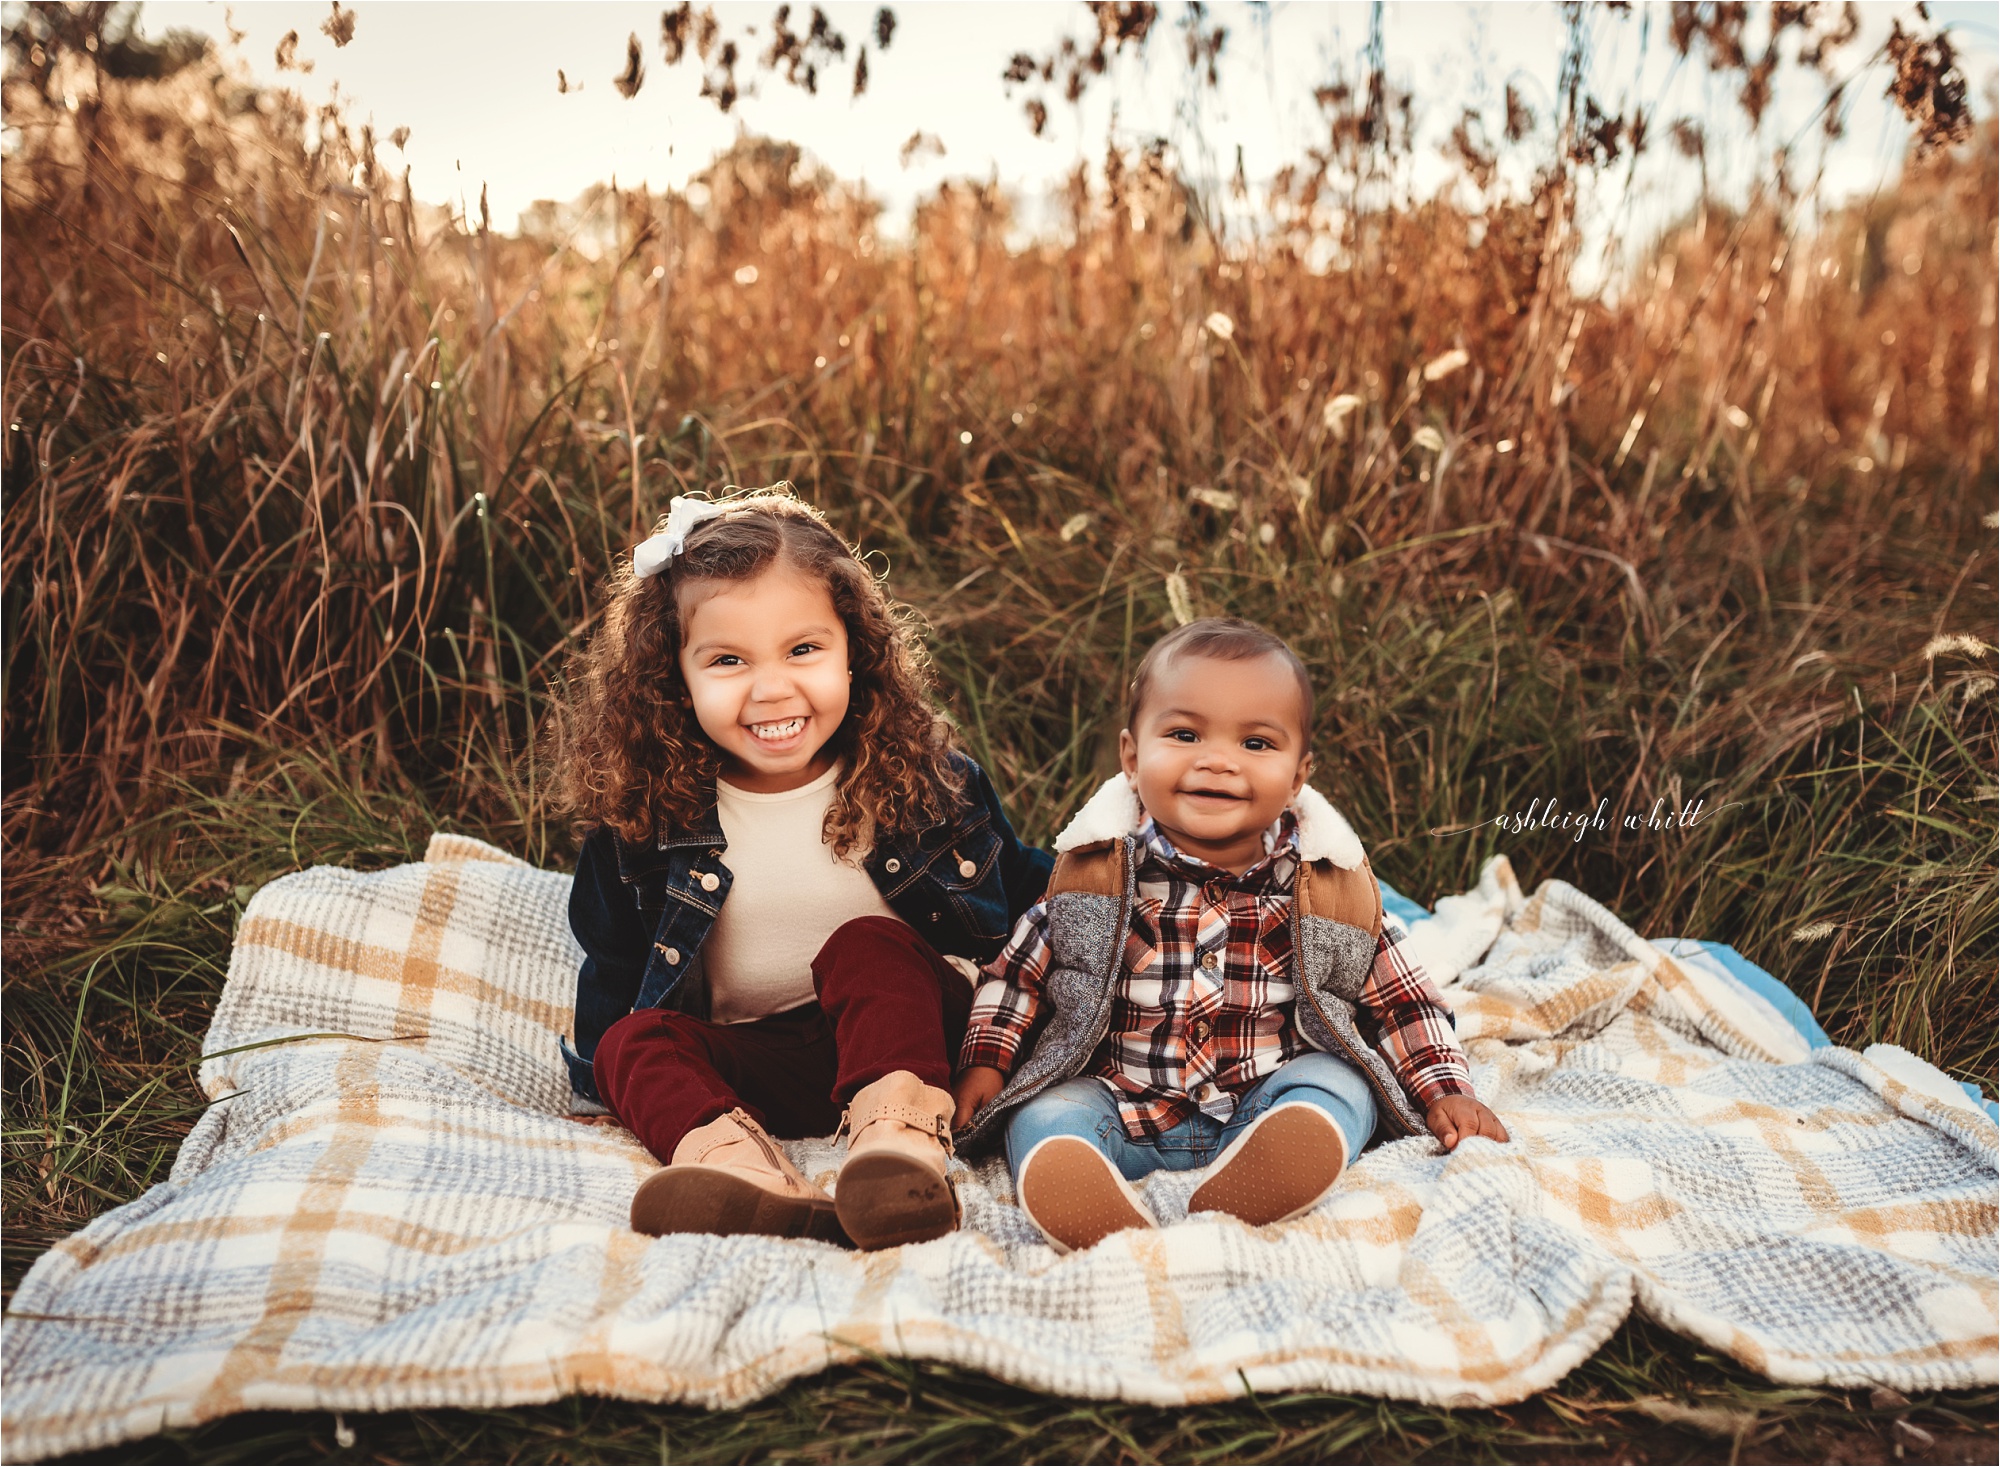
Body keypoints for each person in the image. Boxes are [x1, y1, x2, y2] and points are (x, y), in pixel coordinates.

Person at [550, 488, 1051, 1251]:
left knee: (866, 944)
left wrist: (1115, 893)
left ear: (855, 649)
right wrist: (602, 1077)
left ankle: (898, 1153)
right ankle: (740, 1170)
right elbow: (614, 961)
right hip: (765, 1064)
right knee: (631, 1041)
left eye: (803, 649)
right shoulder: (647, 823)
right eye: (727, 660)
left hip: (914, 1046)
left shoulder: (925, 782)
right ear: (673, 678)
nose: (772, 687)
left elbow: (1022, 885)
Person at [951, 617, 1509, 1253]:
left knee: (1339, 1085)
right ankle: (1081, 1192)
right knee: (1046, 1114)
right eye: (1185, 734)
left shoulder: (1327, 892)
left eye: (1256, 744)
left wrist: (1446, 1091)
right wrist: (986, 1062)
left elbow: (1403, 1001)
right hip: (1124, 1102)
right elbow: (1017, 976)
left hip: (1265, 1100)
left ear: (1299, 777)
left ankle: (1276, 1166)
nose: (1217, 760)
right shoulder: (1093, 882)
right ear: (1132, 758)